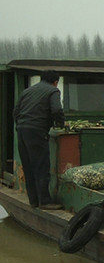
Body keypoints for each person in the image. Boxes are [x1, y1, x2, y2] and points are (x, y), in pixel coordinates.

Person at [13, 70, 64, 209]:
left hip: (22, 131)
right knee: (41, 166)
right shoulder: (53, 91)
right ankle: (45, 202)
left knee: (28, 166)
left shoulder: (27, 91)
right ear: (55, 82)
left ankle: (34, 201)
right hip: (37, 131)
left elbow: (16, 112)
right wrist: (60, 124)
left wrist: (21, 127)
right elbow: (57, 110)